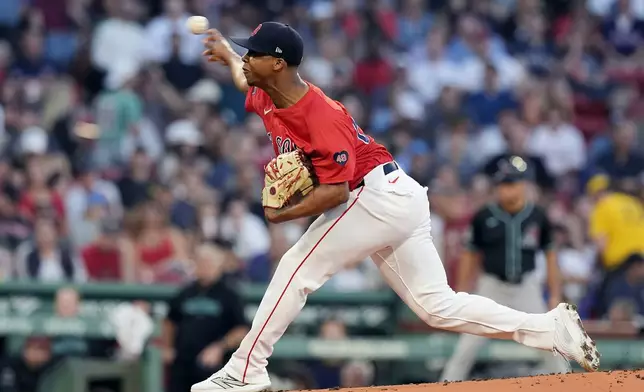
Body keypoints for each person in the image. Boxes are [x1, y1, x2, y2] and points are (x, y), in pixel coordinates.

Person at [192, 22, 600, 392]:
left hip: (372, 196)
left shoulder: (321, 114)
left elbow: (334, 194)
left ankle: (247, 367)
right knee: (436, 306)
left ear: (278, 64)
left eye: (253, 54)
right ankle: (548, 328)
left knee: (297, 267)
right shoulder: (267, 93)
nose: (246, 60)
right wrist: (228, 54)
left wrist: (281, 215)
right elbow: (244, 82)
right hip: (393, 196)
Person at [440, 156, 568, 381]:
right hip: (491, 287)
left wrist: (555, 294)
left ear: (524, 185)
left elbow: (551, 258)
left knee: (551, 343)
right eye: (503, 184)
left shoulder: (538, 216)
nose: (507, 189)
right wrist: (461, 291)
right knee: (466, 348)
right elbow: (469, 255)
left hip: (526, 287)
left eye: (513, 183)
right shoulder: (484, 216)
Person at [164, 244, 248, 392]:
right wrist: (168, 348)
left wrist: (219, 347)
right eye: (201, 262)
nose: (204, 266)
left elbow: (242, 329)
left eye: (209, 262)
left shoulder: (229, 295)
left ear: (219, 265)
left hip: (214, 364)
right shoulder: (185, 293)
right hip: (183, 362)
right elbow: (170, 321)